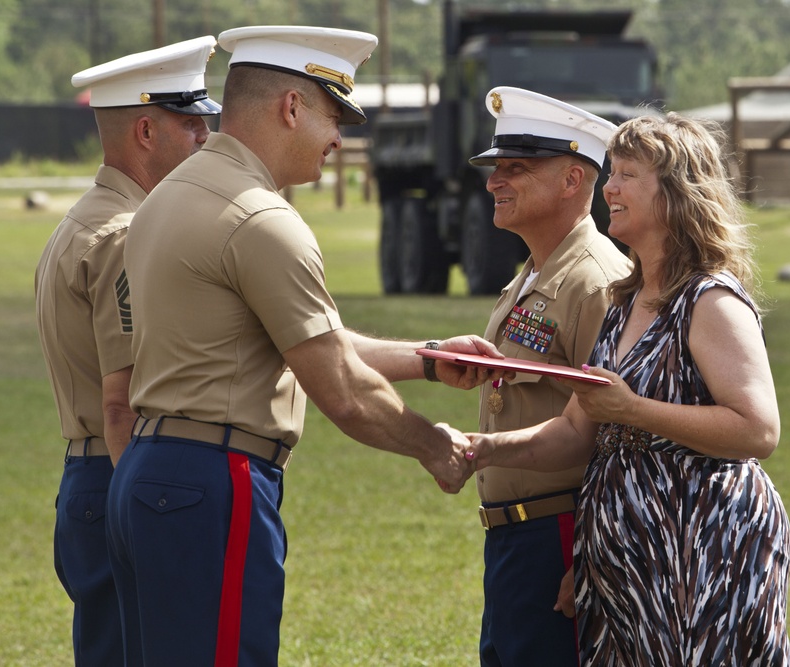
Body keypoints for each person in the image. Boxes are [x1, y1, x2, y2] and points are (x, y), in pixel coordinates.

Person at [110, 25, 499, 667]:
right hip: (215, 482)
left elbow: (297, 341)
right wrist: (437, 446)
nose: (339, 137)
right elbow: (340, 390)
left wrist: (428, 359)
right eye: (333, 114)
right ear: (292, 107)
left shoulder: (169, 196)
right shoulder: (262, 221)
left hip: (151, 476)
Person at [466, 112, 790, 666]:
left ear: (678, 191)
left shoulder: (710, 300)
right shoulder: (626, 301)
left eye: (626, 175)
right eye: (611, 172)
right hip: (626, 558)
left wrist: (634, 409)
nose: (608, 188)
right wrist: (478, 449)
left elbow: (757, 430)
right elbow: (576, 429)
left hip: (700, 547)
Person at [33, 36, 221, 665]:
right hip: (121, 473)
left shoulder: (83, 219)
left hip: (89, 475)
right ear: (145, 129)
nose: (205, 139)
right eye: (191, 124)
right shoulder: (125, 233)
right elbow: (123, 403)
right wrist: (141, 517)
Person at [466, 87, 632, 667]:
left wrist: (592, 554)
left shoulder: (596, 281)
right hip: (517, 537)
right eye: (495, 168)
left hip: (561, 536)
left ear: (573, 181)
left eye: (518, 168)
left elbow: (619, 435)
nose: (495, 181)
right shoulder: (536, 272)